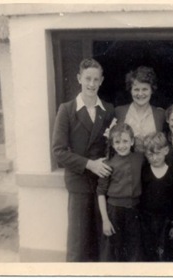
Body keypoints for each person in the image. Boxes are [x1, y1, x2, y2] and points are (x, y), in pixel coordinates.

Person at [52, 58, 115, 262]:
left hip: (102, 184)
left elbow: (113, 146)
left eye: (96, 79)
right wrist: (90, 164)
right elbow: (59, 151)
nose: (91, 84)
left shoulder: (108, 110)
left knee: (102, 239)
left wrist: (105, 162)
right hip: (79, 182)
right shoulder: (67, 110)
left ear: (102, 80)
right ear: (79, 78)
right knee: (78, 241)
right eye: (88, 78)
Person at [97, 123, 144, 261]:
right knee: (114, 251)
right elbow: (100, 193)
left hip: (134, 211)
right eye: (117, 142)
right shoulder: (108, 164)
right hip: (114, 212)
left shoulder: (140, 158)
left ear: (132, 141)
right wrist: (105, 220)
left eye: (125, 141)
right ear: (112, 144)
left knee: (134, 250)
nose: (121, 145)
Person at [140, 132, 173, 262]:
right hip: (147, 220)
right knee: (148, 252)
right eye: (150, 155)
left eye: (157, 153)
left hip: (166, 222)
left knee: (165, 254)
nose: (154, 158)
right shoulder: (144, 172)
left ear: (166, 150)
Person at [115, 66, 165, 152]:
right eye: (136, 89)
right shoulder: (118, 112)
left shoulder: (160, 114)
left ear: (152, 90)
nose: (140, 93)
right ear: (130, 90)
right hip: (126, 164)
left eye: (145, 89)